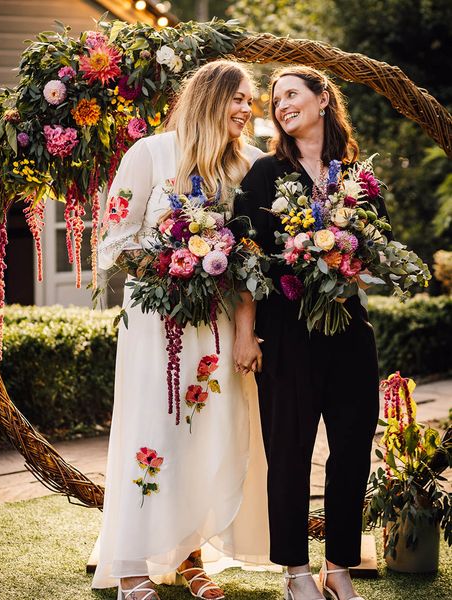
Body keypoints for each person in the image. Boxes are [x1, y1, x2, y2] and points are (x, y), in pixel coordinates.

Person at [92, 60, 269, 600]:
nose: (247, 109)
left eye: (250, 101)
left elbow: (253, 261)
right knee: (153, 433)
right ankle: (129, 565)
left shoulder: (252, 166)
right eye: (238, 98)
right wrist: (177, 264)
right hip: (155, 325)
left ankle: (192, 559)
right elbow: (114, 241)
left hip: (216, 329)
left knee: (207, 437)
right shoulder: (148, 154)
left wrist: (245, 332)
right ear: (209, 98)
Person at [233, 65, 384, 600]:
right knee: (289, 451)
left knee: (352, 448)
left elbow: (376, 250)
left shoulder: (356, 176)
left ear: (323, 99)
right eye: (275, 99)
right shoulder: (264, 175)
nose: (281, 104)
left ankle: (339, 567)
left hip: (349, 330)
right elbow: (243, 259)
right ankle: (296, 571)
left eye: (292, 94)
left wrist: (347, 255)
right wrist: (246, 334)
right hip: (287, 332)